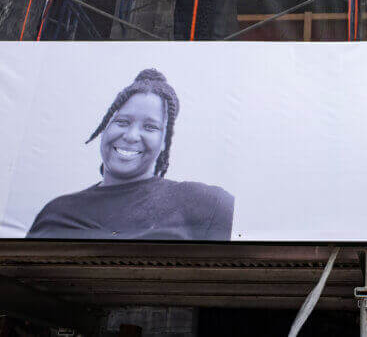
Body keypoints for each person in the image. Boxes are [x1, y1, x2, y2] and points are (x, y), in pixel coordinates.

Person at [26, 69, 234, 240]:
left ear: (164, 142)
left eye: (150, 127)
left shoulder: (205, 203)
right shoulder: (58, 212)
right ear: (105, 128)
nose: (132, 136)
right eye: (122, 122)